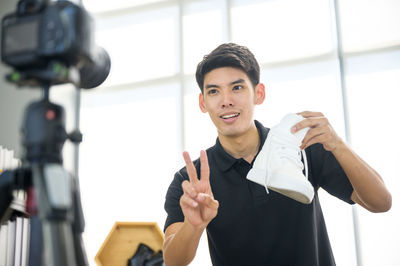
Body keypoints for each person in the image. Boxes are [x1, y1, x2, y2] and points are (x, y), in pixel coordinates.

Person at [162, 43, 392, 266]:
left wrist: (337, 144)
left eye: (237, 87)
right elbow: (172, 261)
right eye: (214, 92)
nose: (226, 101)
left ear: (259, 94)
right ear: (203, 103)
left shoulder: (300, 147)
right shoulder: (190, 180)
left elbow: (381, 202)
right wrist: (194, 226)